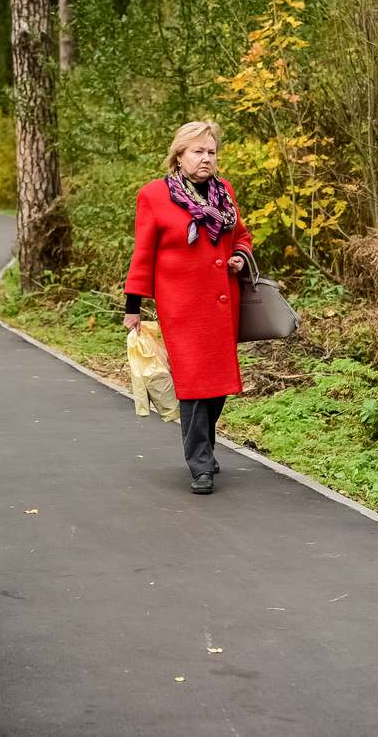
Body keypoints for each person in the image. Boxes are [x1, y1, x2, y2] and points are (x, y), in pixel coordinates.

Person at [124, 121, 253, 495]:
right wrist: (133, 307)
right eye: (198, 151)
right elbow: (143, 254)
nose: (206, 158)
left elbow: (240, 235)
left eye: (211, 152)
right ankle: (200, 464)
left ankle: (205, 448)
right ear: (179, 155)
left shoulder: (223, 192)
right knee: (195, 387)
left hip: (223, 304)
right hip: (182, 308)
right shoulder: (154, 196)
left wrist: (240, 256)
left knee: (217, 388)